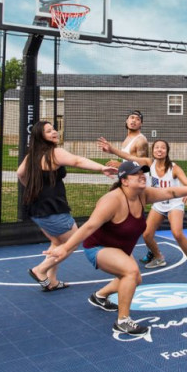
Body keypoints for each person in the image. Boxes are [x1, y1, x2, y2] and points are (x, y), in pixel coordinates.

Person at [45, 160, 187, 335]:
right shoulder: (112, 200)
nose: (142, 176)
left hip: (119, 249)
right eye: (136, 173)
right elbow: (89, 226)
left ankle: (99, 296)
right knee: (131, 272)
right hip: (98, 247)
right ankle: (123, 321)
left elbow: (170, 191)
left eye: (143, 172)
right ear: (124, 180)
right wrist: (65, 248)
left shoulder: (143, 194)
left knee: (135, 279)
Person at [18, 120, 117, 291]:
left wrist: (32, 188)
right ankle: (40, 270)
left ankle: (52, 281)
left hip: (37, 208)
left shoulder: (32, 155)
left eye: (54, 129)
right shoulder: (54, 153)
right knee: (71, 244)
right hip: (52, 209)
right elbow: (78, 161)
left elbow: (20, 174)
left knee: (57, 243)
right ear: (41, 136)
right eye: (49, 131)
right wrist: (102, 168)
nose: (54, 132)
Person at [97, 137, 187, 278]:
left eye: (163, 148)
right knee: (146, 234)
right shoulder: (148, 163)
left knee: (177, 233)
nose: (160, 150)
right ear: (153, 151)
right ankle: (159, 257)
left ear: (167, 151)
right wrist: (111, 150)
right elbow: (128, 157)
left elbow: (186, 183)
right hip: (159, 203)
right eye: (157, 147)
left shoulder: (174, 168)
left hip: (174, 203)